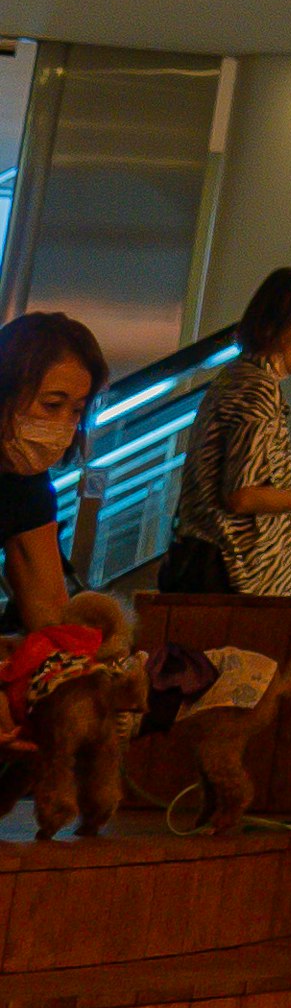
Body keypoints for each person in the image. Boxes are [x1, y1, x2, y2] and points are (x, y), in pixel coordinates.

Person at [0, 312, 126, 813]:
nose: (61, 428)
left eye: (75, 410)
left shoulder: (27, 485)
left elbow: (50, 612)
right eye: (51, 404)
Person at [171, 271, 291, 597]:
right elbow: (243, 496)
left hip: (219, 569)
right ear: (275, 325)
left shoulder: (235, 378)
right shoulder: (257, 390)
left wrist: (283, 483)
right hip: (239, 576)